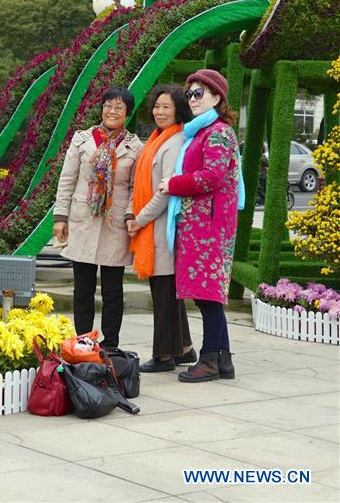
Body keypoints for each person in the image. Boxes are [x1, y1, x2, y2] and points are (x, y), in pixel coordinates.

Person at [159, 69, 242, 383]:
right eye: (189, 94)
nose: (191, 99)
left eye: (199, 94)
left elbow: (213, 176)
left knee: (208, 296)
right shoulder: (201, 131)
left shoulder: (217, 131)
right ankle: (223, 359)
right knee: (208, 295)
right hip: (201, 225)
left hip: (209, 228)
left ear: (217, 98)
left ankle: (209, 359)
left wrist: (173, 183)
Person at [53, 86, 142, 349]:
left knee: (113, 291)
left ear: (127, 113)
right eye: (108, 106)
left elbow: (137, 186)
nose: (112, 111)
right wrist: (61, 216)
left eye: (119, 107)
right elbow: (67, 179)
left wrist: (131, 214)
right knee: (83, 289)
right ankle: (83, 341)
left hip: (115, 223)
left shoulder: (134, 146)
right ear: (101, 109)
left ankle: (111, 344)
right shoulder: (82, 139)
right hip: (83, 220)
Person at [127, 85, 196, 372]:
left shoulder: (176, 141)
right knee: (167, 292)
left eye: (166, 107)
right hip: (150, 226)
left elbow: (167, 190)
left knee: (165, 294)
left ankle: (164, 355)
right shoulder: (156, 139)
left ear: (178, 110)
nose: (159, 111)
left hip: (161, 227)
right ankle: (184, 348)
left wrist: (139, 219)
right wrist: (134, 213)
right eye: (157, 106)